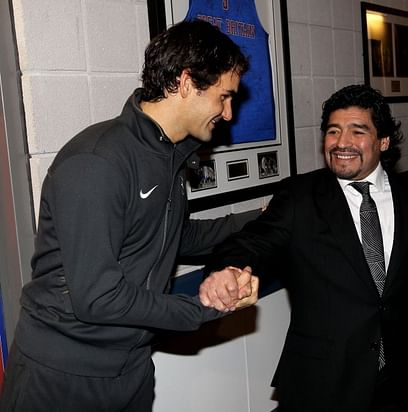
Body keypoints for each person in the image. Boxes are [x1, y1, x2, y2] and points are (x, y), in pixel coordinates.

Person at [1, 20, 259, 412]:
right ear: (187, 83)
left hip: (131, 369)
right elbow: (99, 297)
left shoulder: (170, 156)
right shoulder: (98, 161)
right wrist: (205, 309)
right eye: (223, 97)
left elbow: (176, 236)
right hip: (61, 377)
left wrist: (261, 217)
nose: (227, 113)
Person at [200, 84, 408, 411]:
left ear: (383, 141)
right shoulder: (300, 197)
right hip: (325, 380)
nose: (342, 142)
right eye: (333, 131)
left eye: (358, 131)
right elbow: (250, 242)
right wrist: (227, 269)